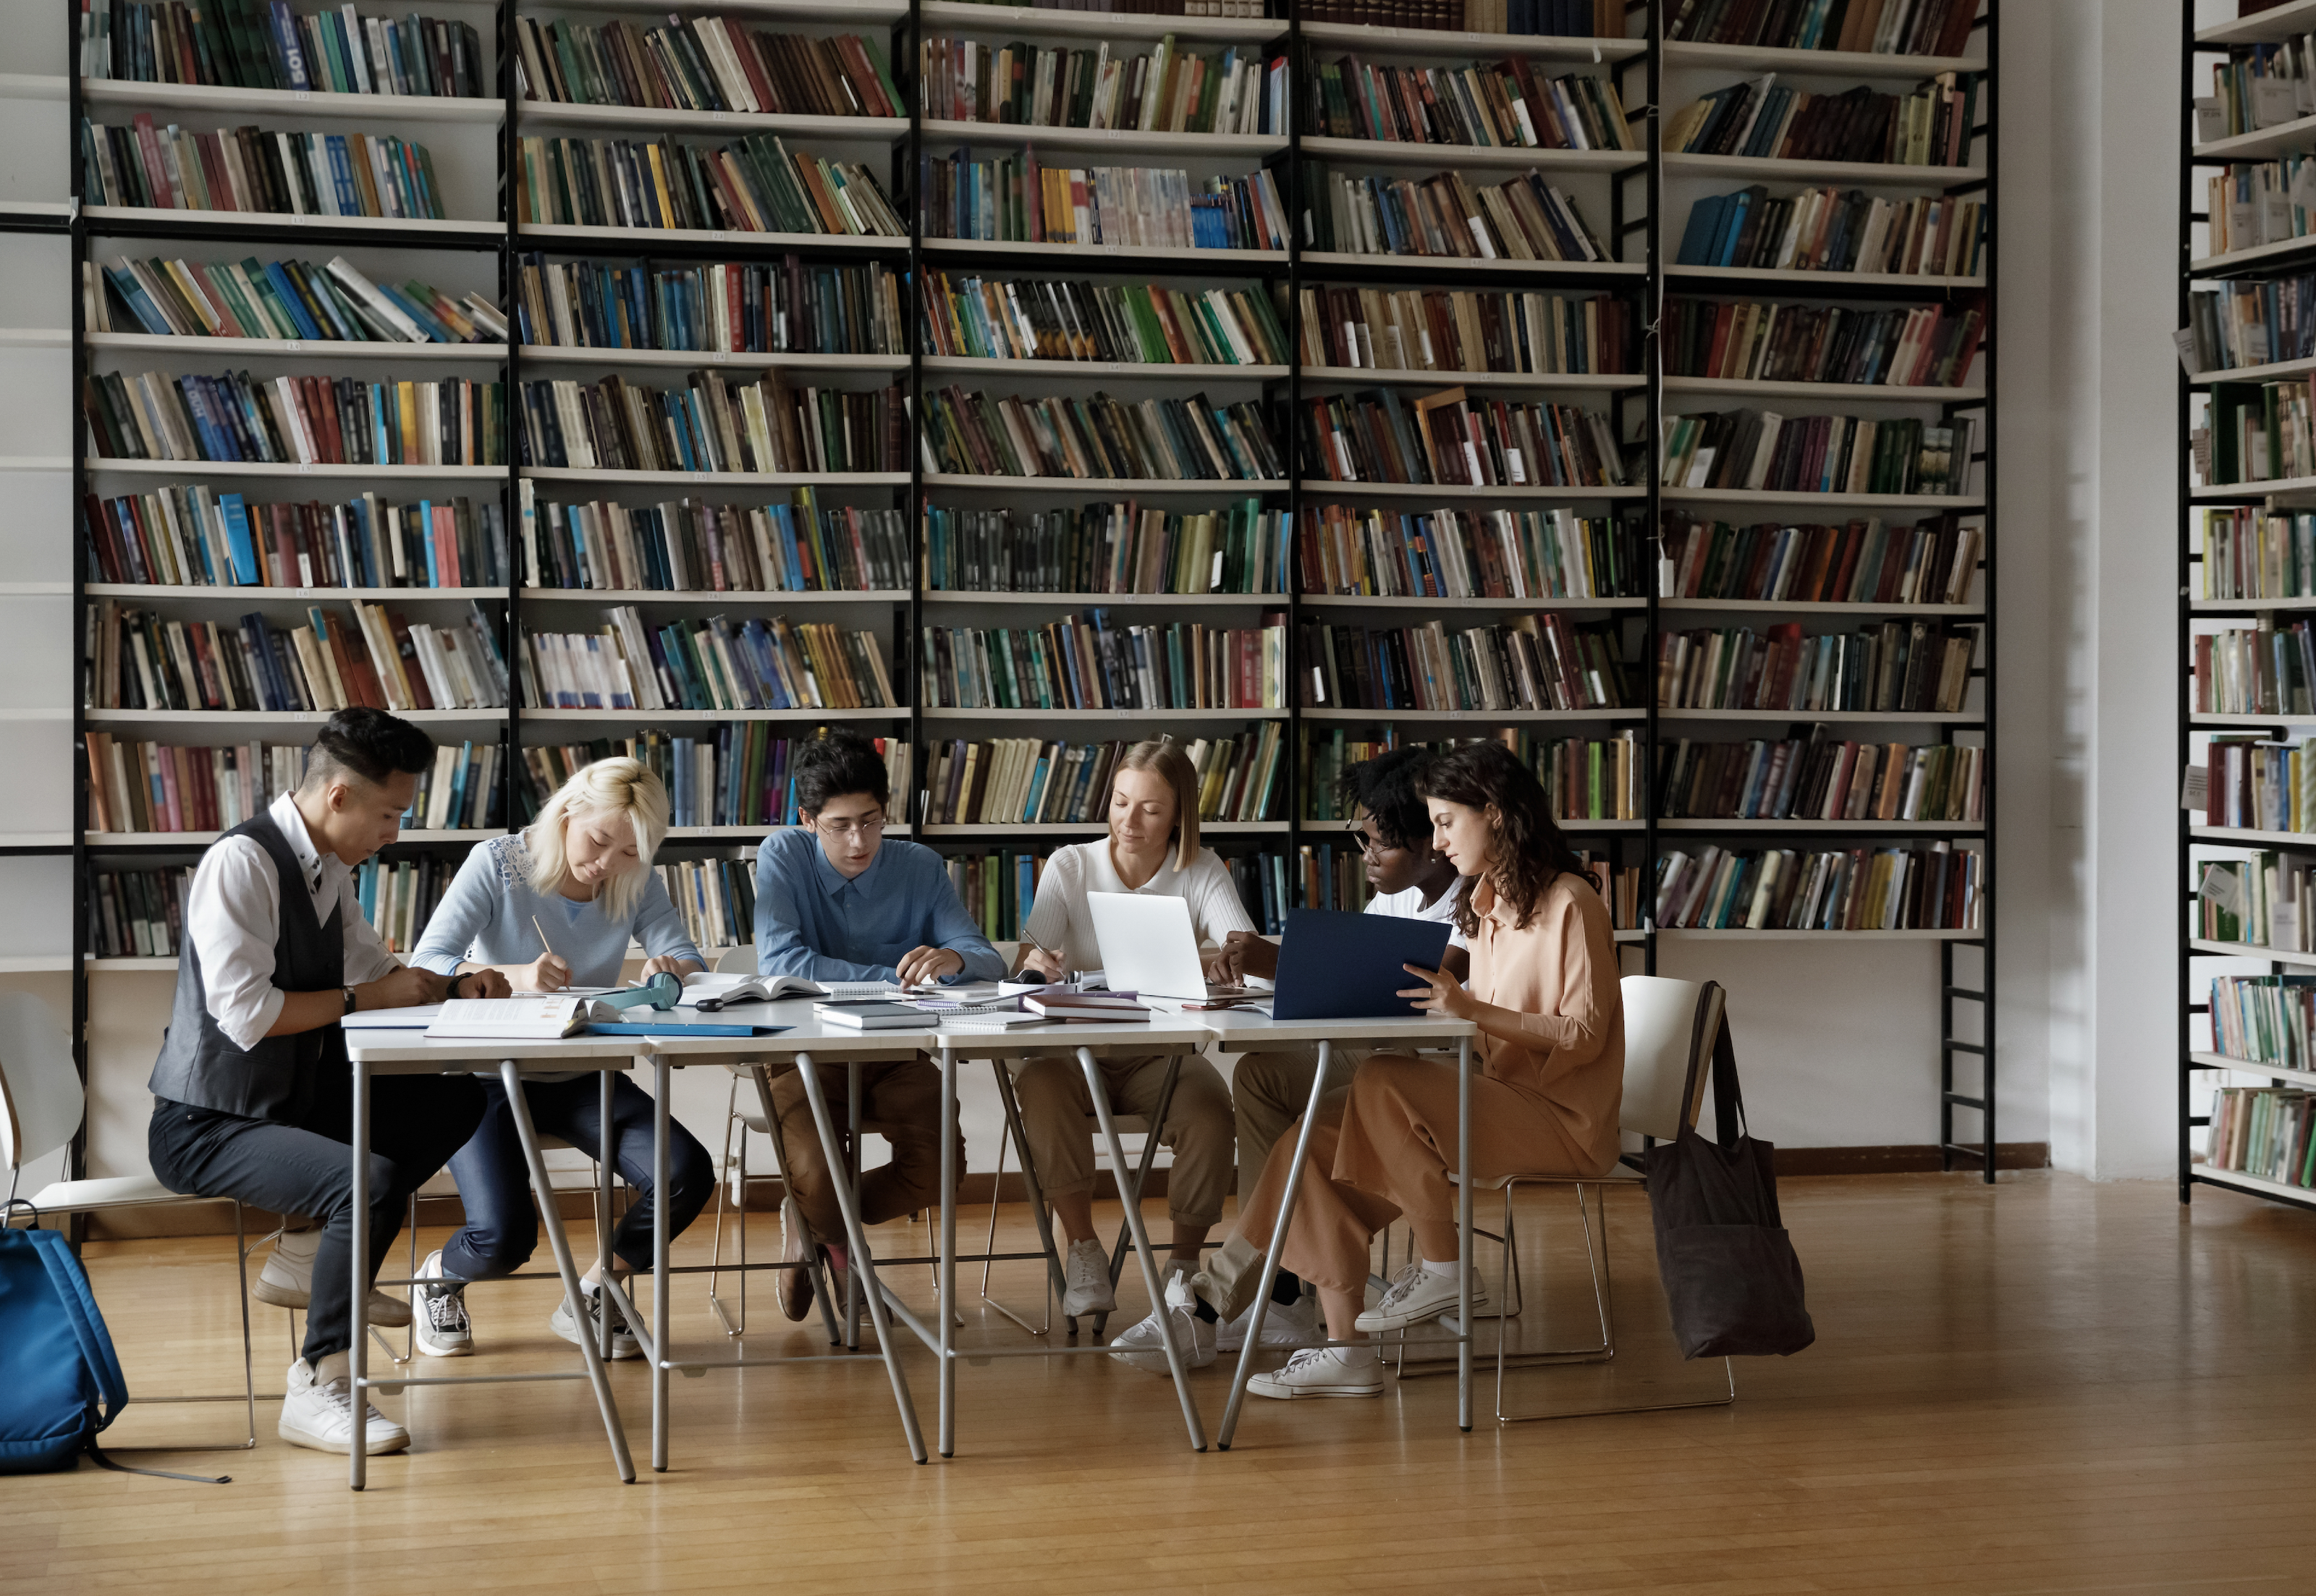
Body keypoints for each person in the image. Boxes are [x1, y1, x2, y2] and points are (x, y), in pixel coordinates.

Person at [1188, 740, 1624, 1399]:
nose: (1440, 841)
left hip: (1561, 1119)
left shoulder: (1572, 903)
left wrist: (1472, 1010)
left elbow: (1585, 1037)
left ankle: (1446, 1265)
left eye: (1448, 821)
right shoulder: (1481, 906)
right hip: (1495, 1097)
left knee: (1382, 1076)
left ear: (1498, 814)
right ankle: (1344, 1352)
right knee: (1315, 1140)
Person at [145, 709, 504, 1456]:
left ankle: (312, 1260)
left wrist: (457, 983)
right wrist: (364, 1000)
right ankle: (320, 1382)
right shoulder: (242, 863)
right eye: (389, 813)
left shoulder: (328, 869)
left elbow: (374, 968)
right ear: (338, 797)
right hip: (208, 1120)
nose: (394, 834)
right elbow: (246, 1016)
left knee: (457, 1095)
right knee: (366, 1185)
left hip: (290, 1097)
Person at [408, 757, 714, 1361]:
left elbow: (688, 958)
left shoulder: (636, 878)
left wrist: (672, 966)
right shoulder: (499, 863)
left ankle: (597, 1290)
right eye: (599, 841)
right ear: (568, 811)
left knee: (687, 1172)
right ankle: (439, 1275)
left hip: (579, 1070)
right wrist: (511, 975)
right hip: (487, 1077)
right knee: (503, 1239)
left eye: (630, 852)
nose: (607, 865)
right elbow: (428, 963)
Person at [1197, 746, 1474, 1354]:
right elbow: (1354, 983)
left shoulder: (1471, 904)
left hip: (1428, 1069)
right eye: (1364, 840)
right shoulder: (1397, 896)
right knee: (1262, 1076)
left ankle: (1237, 1295)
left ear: (1432, 842)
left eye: (1381, 844)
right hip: (1382, 1057)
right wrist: (1264, 968)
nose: (1368, 857)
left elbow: (1409, 990)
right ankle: (1287, 1289)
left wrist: (1286, 960)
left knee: (1318, 1131)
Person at [1011, 740, 1248, 1370]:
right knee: (1039, 1084)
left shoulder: (1201, 869)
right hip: (1072, 1053)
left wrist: (1224, 955)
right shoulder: (1071, 866)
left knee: (1210, 1111)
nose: (1128, 820)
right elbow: (1024, 962)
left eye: (1149, 808)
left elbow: (1242, 950)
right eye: (1120, 802)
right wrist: (1039, 962)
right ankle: (1083, 1246)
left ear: (1179, 816)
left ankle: (1185, 1269)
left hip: (1158, 1059)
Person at [754, 731, 1003, 1319]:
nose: (859, 840)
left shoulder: (919, 865)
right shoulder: (783, 854)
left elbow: (988, 956)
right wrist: (896, 977)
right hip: (803, 1051)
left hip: (893, 1050)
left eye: (870, 820)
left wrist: (956, 960)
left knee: (941, 1169)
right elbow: (784, 964)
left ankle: (809, 1220)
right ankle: (842, 1250)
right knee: (814, 1167)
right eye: (839, 825)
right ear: (806, 818)